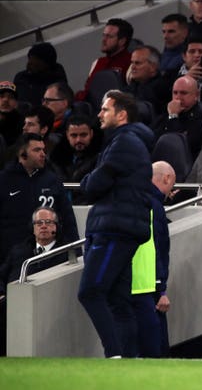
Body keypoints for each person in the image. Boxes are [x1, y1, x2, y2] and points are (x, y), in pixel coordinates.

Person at [77, 90, 155, 358]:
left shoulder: (124, 143)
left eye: (105, 109)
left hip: (114, 229)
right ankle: (127, 360)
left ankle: (114, 355)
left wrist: (89, 181)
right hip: (120, 227)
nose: (99, 114)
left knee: (90, 291)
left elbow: (92, 185)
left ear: (121, 115)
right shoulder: (124, 142)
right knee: (117, 301)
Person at [0, 133, 79, 280]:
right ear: (22, 154)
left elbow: (67, 218)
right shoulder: (4, 180)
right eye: (37, 150)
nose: (43, 154)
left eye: (44, 150)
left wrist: (76, 250)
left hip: (48, 254)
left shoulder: (52, 180)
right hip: (11, 255)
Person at [131, 161, 174, 358]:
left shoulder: (136, 198)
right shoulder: (153, 205)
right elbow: (156, 248)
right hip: (148, 289)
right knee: (155, 347)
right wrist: (161, 289)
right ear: (166, 178)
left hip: (133, 285)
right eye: (172, 184)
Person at [0, 206, 68, 295]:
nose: (43, 226)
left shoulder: (67, 252)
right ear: (32, 228)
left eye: (48, 222)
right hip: (12, 302)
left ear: (56, 227)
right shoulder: (18, 251)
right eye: (39, 223)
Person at [75, 18, 134, 102]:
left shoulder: (131, 62)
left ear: (122, 41)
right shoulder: (98, 62)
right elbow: (87, 91)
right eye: (104, 35)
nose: (104, 40)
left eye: (109, 36)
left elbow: (130, 95)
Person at [49, 114, 100, 203]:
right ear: (67, 135)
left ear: (91, 134)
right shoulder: (55, 158)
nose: (78, 140)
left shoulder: (101, 157)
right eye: (74, 135)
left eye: (83, 135)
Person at [158, 75, 202, 161]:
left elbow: (180, 146)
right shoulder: (166, 113)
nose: (178, 97)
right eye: (175, 93)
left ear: (196, 95)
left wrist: (173, 116)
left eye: (183, 93)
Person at [13, 42, 68, 107]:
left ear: (46, 63)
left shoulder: (57, 80)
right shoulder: (21, 77)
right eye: (29, 58)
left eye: (35, 59)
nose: (30, 63)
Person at [125, 45, 172, 115]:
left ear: (153, 67)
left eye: (137, 63)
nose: (132, 67)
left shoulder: (160, 89)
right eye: (132, 62)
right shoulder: (133, 84)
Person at [0, 81, 25, 149]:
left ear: (16, 103)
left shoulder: (23, 123)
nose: (5, 100)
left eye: (11, 97)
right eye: (1, 96)